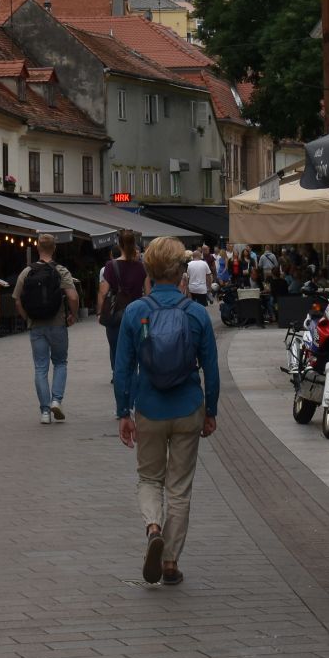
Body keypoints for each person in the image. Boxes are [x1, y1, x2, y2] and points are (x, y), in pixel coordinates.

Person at [113, 236, 218, 586]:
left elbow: (123, 367)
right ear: (180, 272)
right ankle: (170, 562)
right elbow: (212, 370)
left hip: (150, 406)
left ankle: (153, 527)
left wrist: (123, 412)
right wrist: (210, 410)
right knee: (179, 487)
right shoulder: (197, 313)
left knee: (148, 478)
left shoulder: (135, 312)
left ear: (149, 270)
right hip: (188, 405)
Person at [15, 236, 79, 424]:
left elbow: (17, 300)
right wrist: (73, 315)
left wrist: (27, 318)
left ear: (37, 247)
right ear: (55, 248)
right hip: (58, 323)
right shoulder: (61, 270)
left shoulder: (27, 272)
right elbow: (73, 297)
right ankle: (56, 400)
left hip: (36, 326)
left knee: (40, 367)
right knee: (60, 362)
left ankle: (44, 412)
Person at [97, 229, 149, 380]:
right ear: (135, 245)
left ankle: (119, 381)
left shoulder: (110, 266)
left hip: (115, 316)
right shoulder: (141, 267)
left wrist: (100, 313)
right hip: (137, 316)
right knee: (135, 350)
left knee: (116, 350)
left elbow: (103, 292)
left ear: (119, 245)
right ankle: (133, 380)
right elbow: (148, 293)